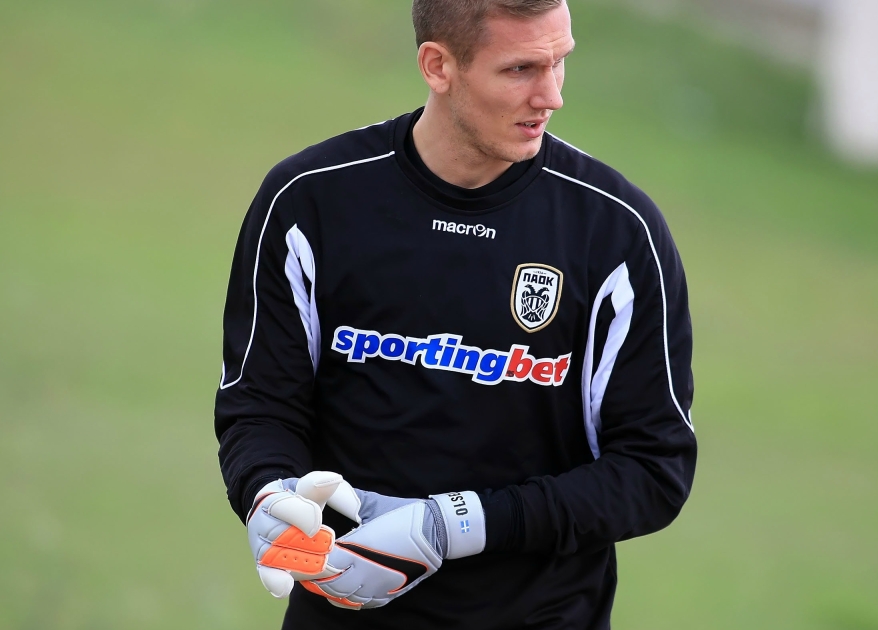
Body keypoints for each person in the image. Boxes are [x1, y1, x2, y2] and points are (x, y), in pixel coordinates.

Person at [214, 0, 697, 627]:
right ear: (438, 66)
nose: (551, 96)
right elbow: (258, 407)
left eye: (560, 62)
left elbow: (654, 470)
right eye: (520, 69)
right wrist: (267, 494)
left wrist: (454, 524)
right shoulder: (310, 201)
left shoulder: (617, 233)